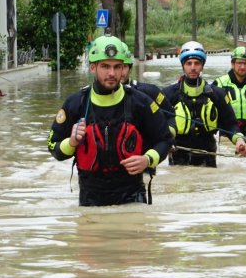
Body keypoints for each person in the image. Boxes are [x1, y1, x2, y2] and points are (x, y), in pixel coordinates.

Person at [47, 35, 172, 206]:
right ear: (93, 67)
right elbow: (53, 146)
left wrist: (148, 160)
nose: (112, 73)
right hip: (90, 199)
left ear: (123, 69)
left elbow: (165, 139)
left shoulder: (140, 102)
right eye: (105, 66)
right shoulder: (75, 103)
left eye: (117, 67)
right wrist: (72, 142)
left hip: (132, 196)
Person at [162, 41, 246, 167]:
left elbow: (230, 125)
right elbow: (156, 126)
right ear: (183, 65)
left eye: (197, 63)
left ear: (202, 65)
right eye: (188, 63)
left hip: (208, 155)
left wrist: (239, 141)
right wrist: (165, 141)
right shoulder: (168, 94)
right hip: (178, 155)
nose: (193, 67)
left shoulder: (218, 94)